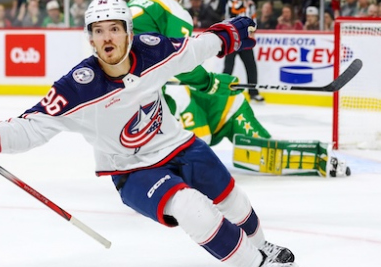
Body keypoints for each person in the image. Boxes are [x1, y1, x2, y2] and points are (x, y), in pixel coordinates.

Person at [0, 0, 298, 267]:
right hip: (131, 170)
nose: (107, 38)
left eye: (114, 29)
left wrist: (225, 37)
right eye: (98, 31)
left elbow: (189, 50)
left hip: (178, 145)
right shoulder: (77, 88)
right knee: (191, 207)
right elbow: (32, 126)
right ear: (90, 38)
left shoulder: (151, 50)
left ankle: (261, 246)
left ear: (128, 32)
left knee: (232, 198)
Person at [129, 0, 350, 178]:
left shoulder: (131, 11)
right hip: (197, 103)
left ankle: (320, 157)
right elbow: (179, 64)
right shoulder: (168, 16)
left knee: (267, 154)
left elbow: (199, 143)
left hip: (229, 112)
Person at [223, 0, 263, 102]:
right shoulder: (231, 3)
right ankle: (222, 90)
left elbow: (253, 17)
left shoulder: (251, 4)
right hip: (233, 38)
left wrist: (253, 31)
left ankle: (253, 92)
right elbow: (231, 15)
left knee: (251, 66)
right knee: (229, 65)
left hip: (245, 39)